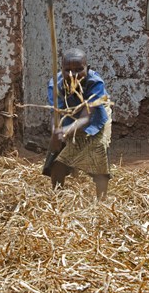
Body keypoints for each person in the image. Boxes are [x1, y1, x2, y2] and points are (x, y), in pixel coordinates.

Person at [46, 48, 112, 200]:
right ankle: (57, 197)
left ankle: (102, 201)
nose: (72, 75)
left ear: (87, 69)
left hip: (95, 117)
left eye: (78, 70)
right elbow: (55, 112)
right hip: (68, 117)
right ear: (61, 70)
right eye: (67, 70)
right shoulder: (56, 85)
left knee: (99, 149)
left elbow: (86, 117)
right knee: (57, 156)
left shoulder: (95, 83)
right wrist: (55, 132)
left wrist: (65, 131)